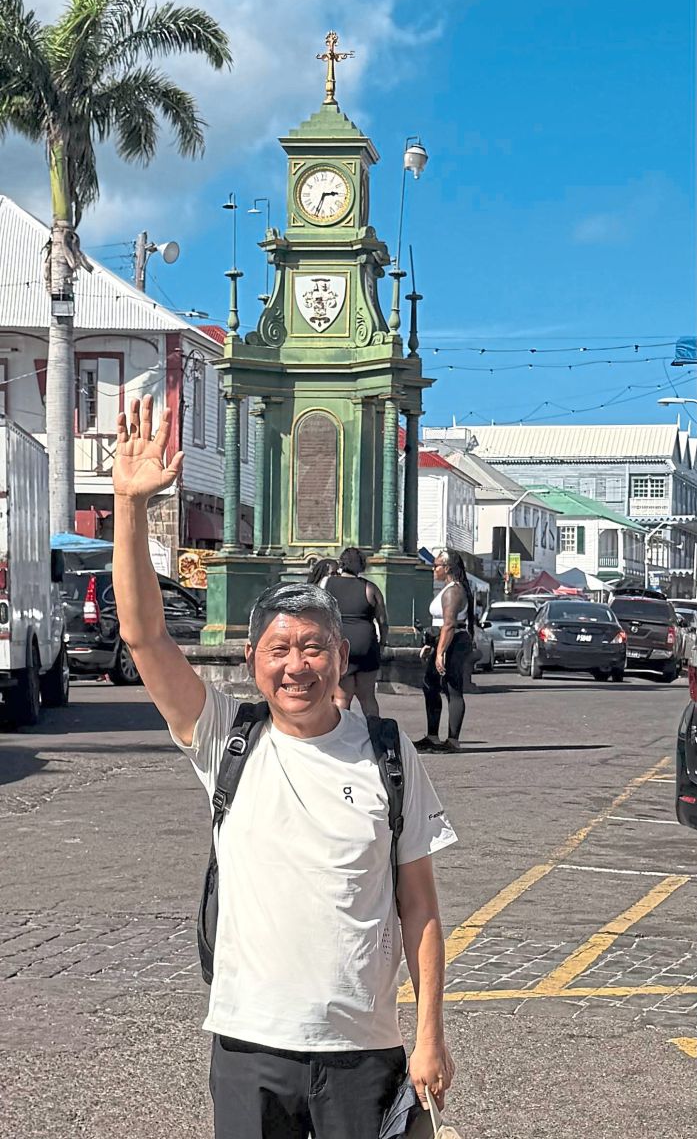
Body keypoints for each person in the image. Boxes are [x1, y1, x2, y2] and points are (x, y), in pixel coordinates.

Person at [112, 397, 456, 1139]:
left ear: (340, 659)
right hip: (249, 1045)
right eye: (278, 649)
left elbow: (419, 908)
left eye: (312, 648)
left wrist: (429, 1033)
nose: (295, 665)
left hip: (363, 1052)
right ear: (252, 661)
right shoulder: (223, 740)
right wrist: (129, 509)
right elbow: (143, 637)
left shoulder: (388, 756)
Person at [416, 550, 476, 754]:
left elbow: (449, 625)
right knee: (430, 685)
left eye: (436, 565)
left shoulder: (453, 591)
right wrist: (432, 645)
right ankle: (432, 735)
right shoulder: (447, 589)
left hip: (453, 642)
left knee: (452, 688)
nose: (434, 569)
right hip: (442, 641)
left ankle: (453, 739)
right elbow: (439, 624)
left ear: (447, 567)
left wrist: (441, 652)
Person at [322, 546, 388, 718]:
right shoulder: (370, 588)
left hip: (340, 644)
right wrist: (382, 644)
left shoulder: (327, 584)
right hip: (366, 644)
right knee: (367, 697)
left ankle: (342, 737)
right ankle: (374, 734)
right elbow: (383, 622)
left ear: (341, 563)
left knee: (341, 697)